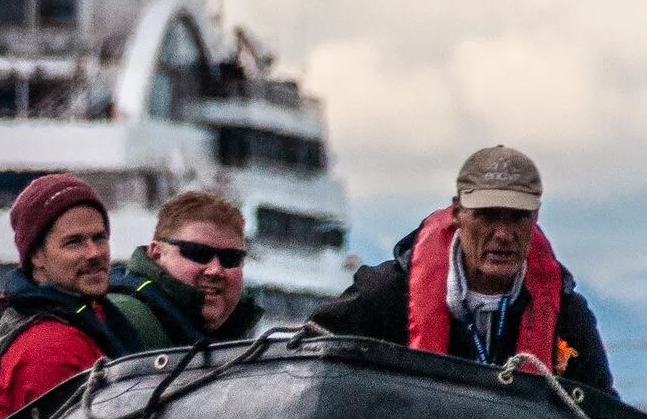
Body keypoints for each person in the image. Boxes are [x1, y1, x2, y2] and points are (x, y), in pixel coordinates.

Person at [307, 145, 614, 391]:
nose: (503, 233)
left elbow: (605, 415)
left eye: (516, 217)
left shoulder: (568, 316)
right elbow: (308, 354)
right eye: (487, 215)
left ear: (535, 217)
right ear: (457, 213)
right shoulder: (384, 295)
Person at [0, 174, 142, 419]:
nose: (94, 253)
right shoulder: (50, 348)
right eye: (74, 242)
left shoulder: (90, 313)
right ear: (36, 256)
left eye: (99, 238)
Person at [108, 189, 264, 346]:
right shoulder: (124, 318)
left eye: (230, 258)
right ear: (157, 253)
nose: (216, 270)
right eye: (197, 253)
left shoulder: (237, 332)